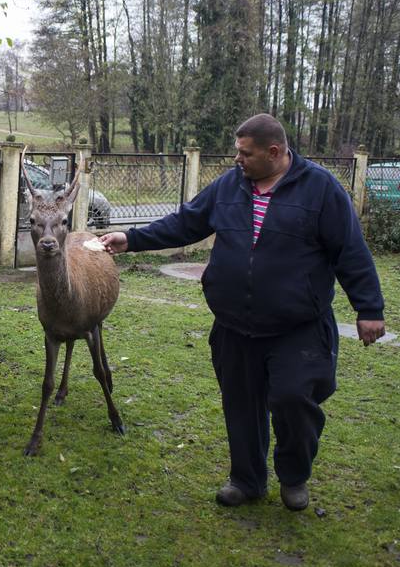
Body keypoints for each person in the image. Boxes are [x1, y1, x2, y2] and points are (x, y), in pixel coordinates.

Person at [99, 114, 385, 512]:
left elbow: (350, 250)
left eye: (245, 152)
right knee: (240, 404)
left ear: (274, 152)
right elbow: (187, 222)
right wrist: (131, 238)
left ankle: (294, 475)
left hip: (297, 326)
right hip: (235, 323)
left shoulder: (321, 189)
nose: (237, 158)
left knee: (293, 400)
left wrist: (369, 308)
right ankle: (247, 480)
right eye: (237, 150)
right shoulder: (230, 185)